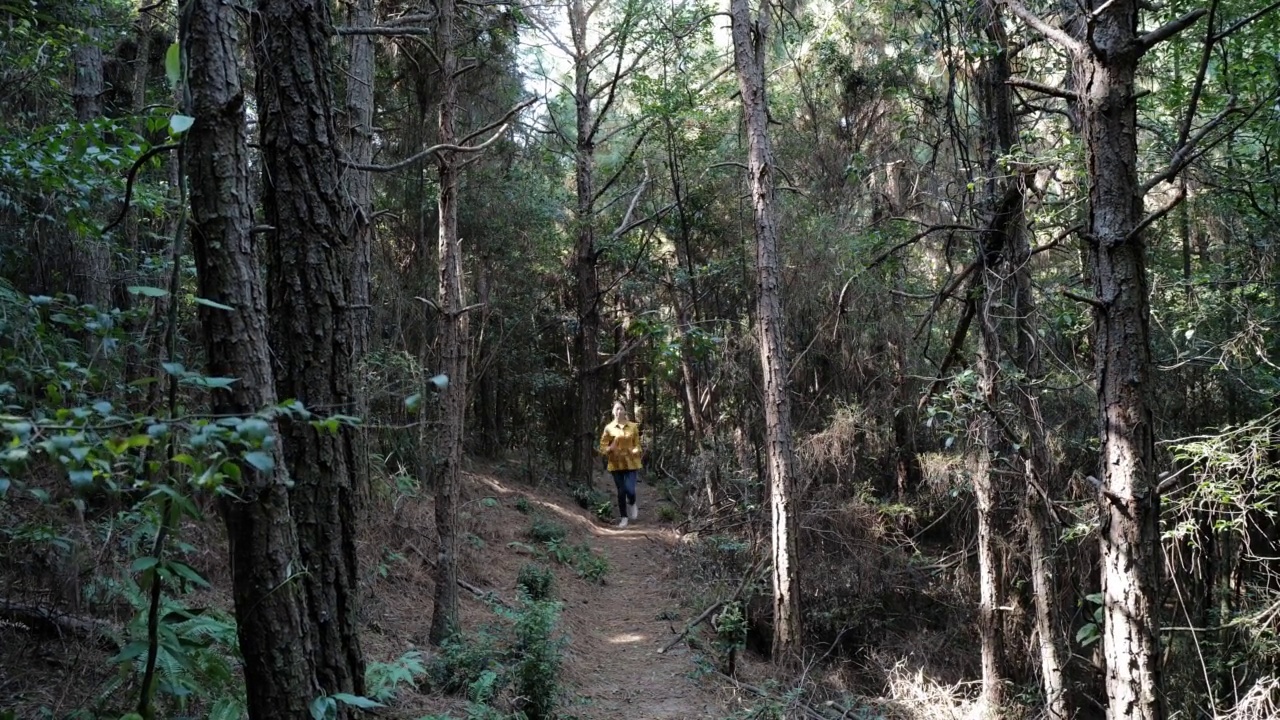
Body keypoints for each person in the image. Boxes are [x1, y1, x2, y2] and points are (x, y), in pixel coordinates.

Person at [599, 401, 642, 527]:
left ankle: (632, 502)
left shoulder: (633, 426)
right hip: (615, 464)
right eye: (616, 409)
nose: (619, 411)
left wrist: (635, 450)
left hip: (631, 464)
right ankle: (624, 517)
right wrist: (609, 449)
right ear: (613, 412)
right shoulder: (608, 428)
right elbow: (602, 447)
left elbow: (638, 445)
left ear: (625, 411)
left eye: (621, 409)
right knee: (621, 491)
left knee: (630, 490)